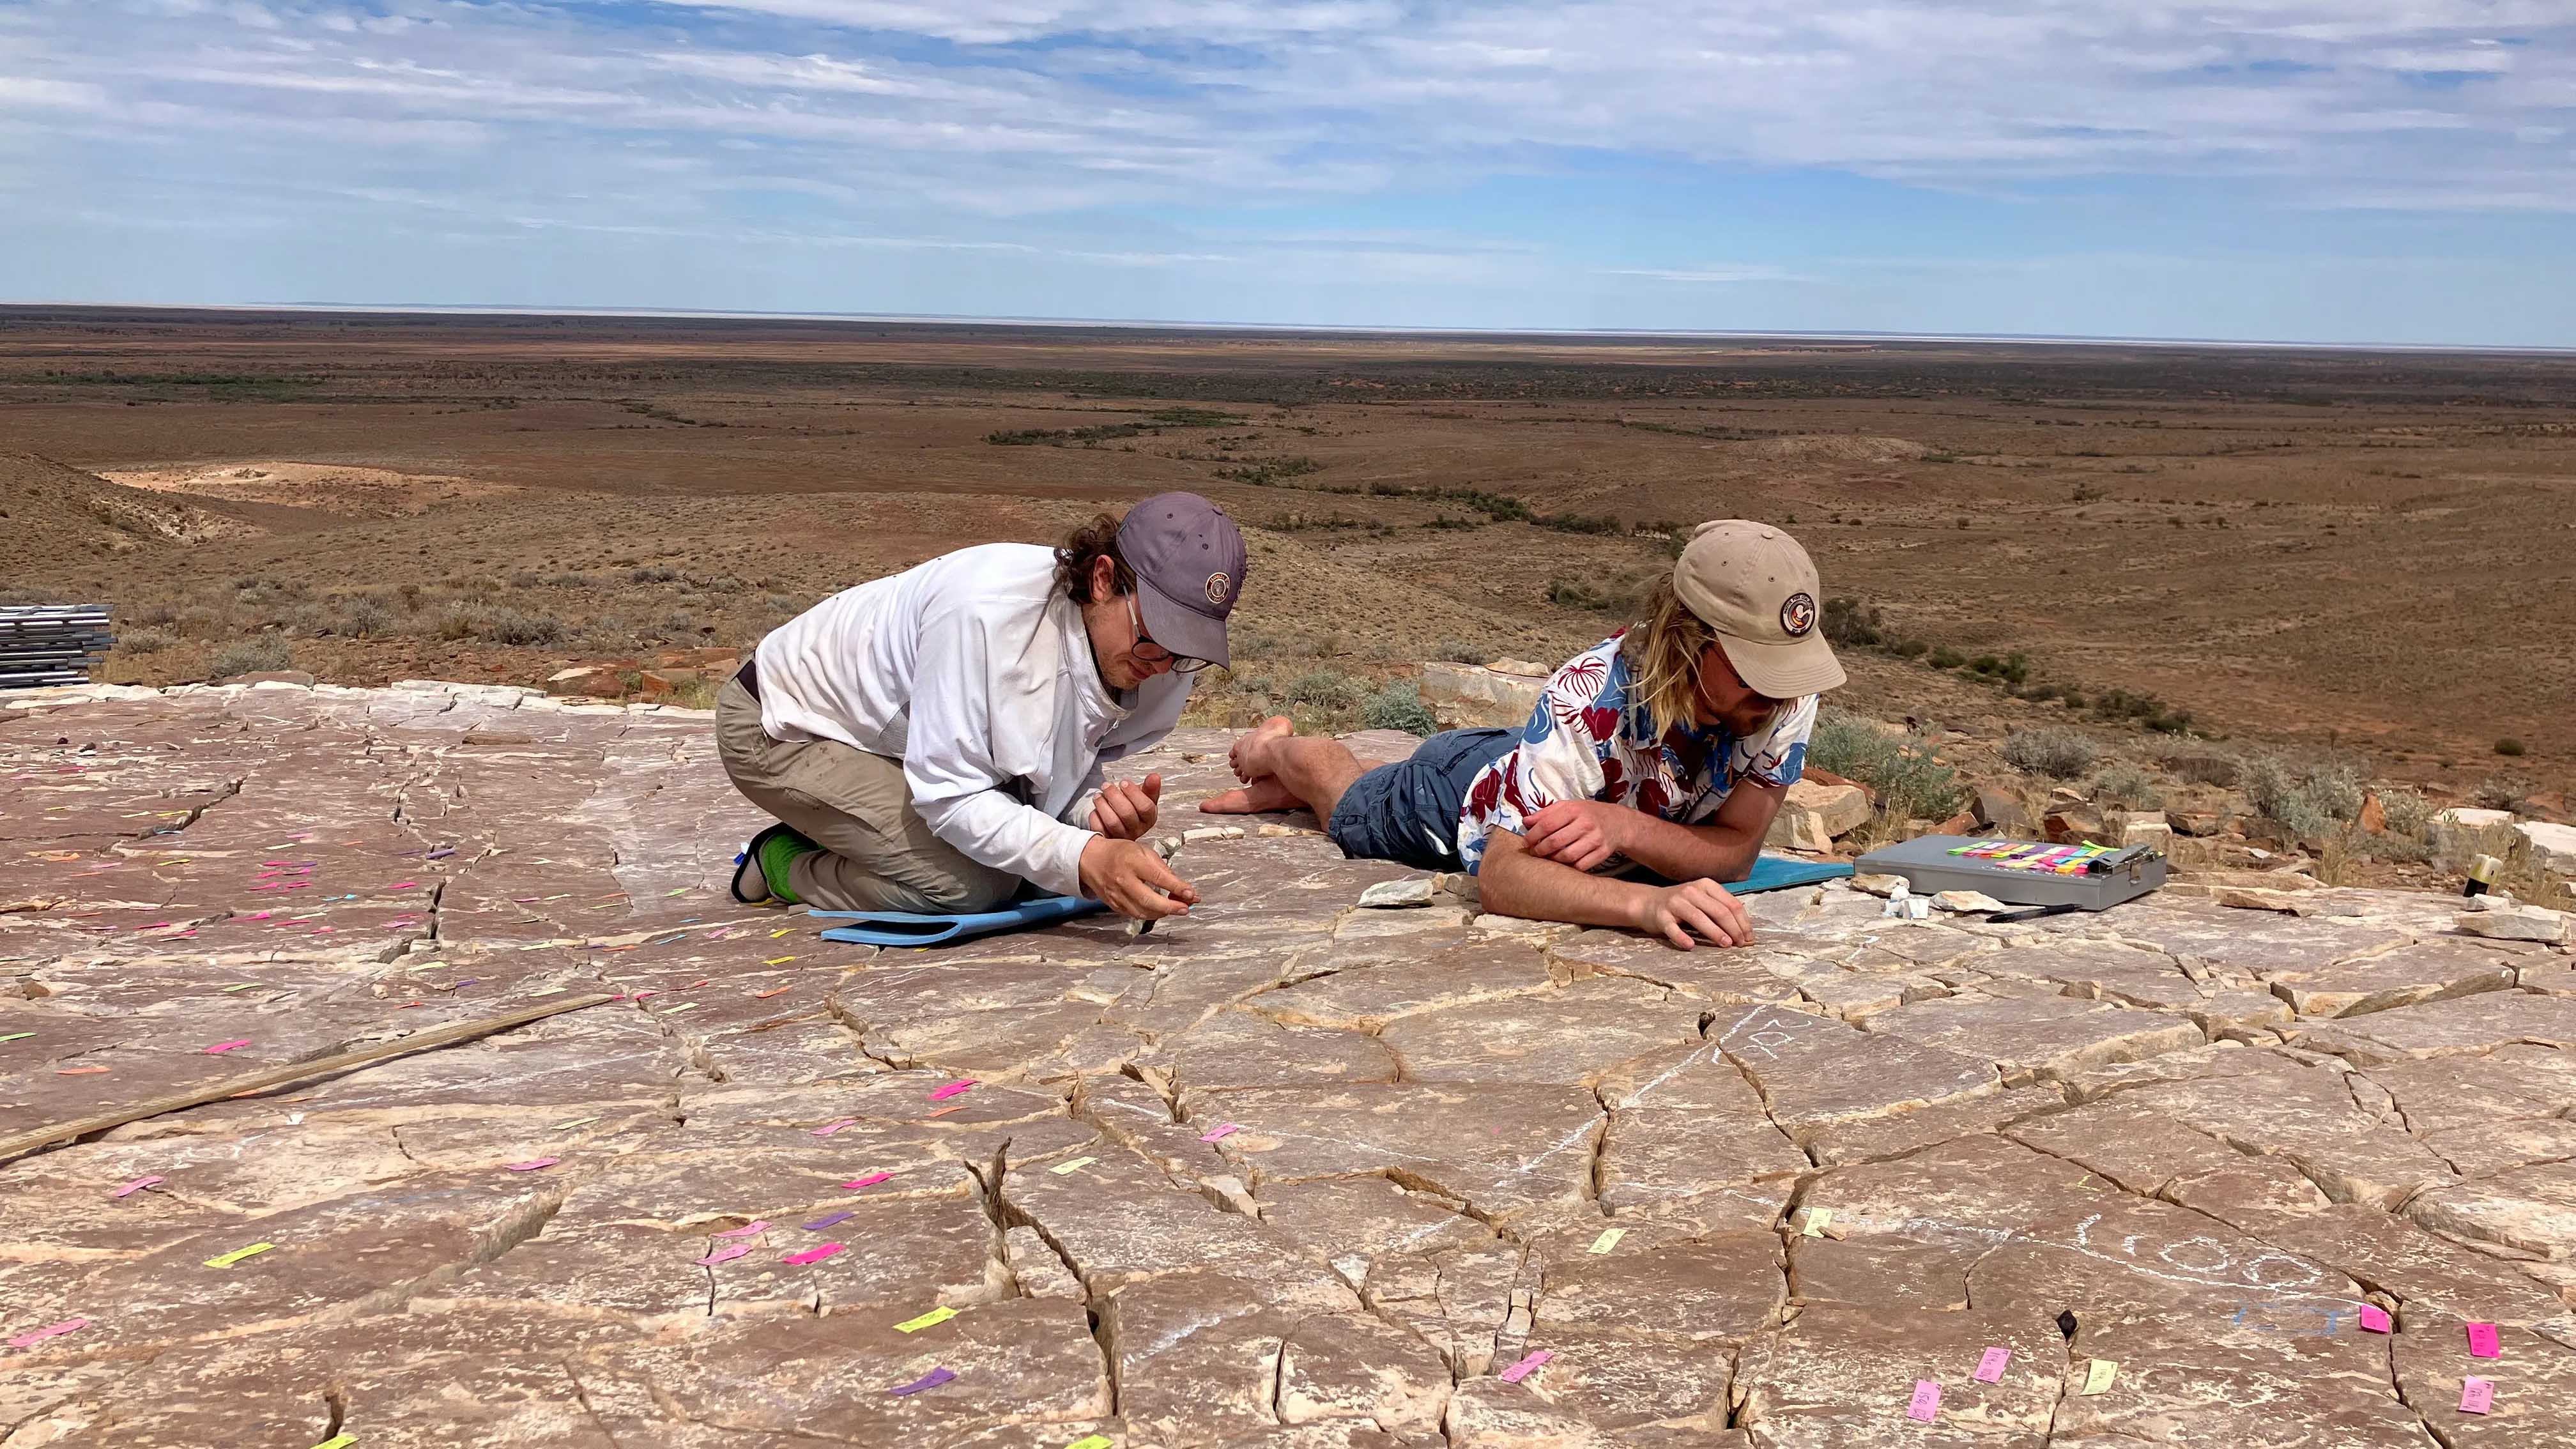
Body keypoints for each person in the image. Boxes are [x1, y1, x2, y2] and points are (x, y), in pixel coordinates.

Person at [1202, 520, 1841, 950]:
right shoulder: (1588, 697)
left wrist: (1621, 828)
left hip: (1539, 775)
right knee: (1349, 799)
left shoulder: (1783, 695)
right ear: (1687, 639)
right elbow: (1504, 878)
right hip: (1454, 797)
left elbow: (1736, 851)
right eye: (1757, 671)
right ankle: (1276, 748)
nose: (1778, 695)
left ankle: (1296, 779)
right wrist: (1645, 907)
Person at [718, 493, 1246, 923]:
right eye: (1155, 638)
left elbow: (1046, 769)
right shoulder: (986, 615)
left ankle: (858, 832)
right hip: (789, 726)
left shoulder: (1153, 657)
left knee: (1030, 862)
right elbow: (951, 796)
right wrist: (1083, 855)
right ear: (1104, 580)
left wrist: (1094, 815)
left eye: (1186, 649)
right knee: (972, 885)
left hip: (906, 748)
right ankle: (779, 862)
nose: (1163, 667)